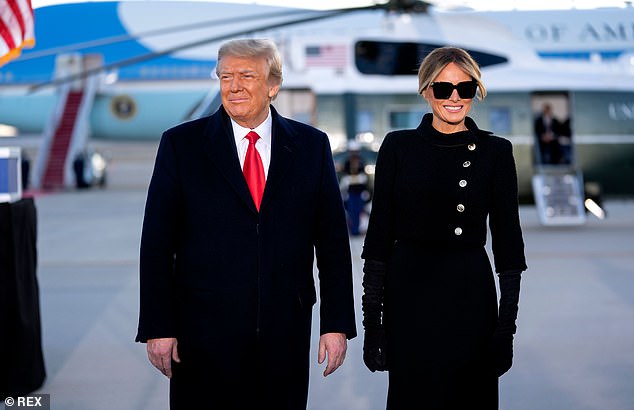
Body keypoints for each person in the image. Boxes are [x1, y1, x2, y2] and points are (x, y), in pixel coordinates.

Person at [135, 38, 357, 409]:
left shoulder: (311, 147)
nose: (233, 85)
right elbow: (157, 245)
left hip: (284, 332)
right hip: (202, 334)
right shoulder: (180, 145)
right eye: (225, 76)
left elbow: (332, 246)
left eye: (246, 75)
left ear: (273, 85)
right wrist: (158, 326)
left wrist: (336, 324)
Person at [360, 46, 527, 409]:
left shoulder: (495, 151)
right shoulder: (398, 146)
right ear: (425, 91)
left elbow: (509, 244)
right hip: (409, 298)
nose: (454, 98)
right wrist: (373, 321)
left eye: (465, 89)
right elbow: (378, 238)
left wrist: (505, 329)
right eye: (443, 88)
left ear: (475, 92)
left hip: (470, 297)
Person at [339, 141, 370, 236]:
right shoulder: (347, 162)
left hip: (359, 192)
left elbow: (364, 177)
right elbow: (344, 177)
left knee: (359, 211)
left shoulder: (361, 162)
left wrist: (366, 190)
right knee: (351, 212)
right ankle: (353, 230)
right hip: (351, 192)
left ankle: (359, 229)